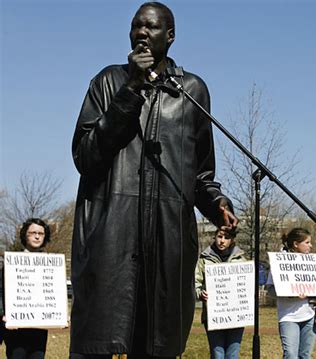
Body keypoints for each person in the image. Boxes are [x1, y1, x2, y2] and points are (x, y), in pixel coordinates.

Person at [70, 2, 237, 358]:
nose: (142, 33)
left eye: (151, 27)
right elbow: (86, 156)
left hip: (167, 243)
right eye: (136, 27)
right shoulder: (109, 81)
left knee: (156, 347)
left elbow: (202, 174)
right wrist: (130, 91)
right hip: (112, 238)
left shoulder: (192, 91)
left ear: (170, 36)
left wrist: (217, 204)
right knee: (98, 345)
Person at [266, 228, 316, 359]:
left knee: (305, 355)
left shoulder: (313, 263)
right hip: (288, 317)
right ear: (296, 244)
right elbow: (269, 289)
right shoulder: (279, 262)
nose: (311, 245)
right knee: (291, 355)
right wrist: (289, 293)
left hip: (310, 316)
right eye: (307, 242)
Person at [195, 229, 247, 358]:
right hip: (213, 316)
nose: (222, 240)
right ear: (214, 237)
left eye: (226, 237)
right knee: (217, 354)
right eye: (219, 236)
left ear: (232, 240)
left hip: (236, 316)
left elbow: (248, 284)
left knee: (232, 354)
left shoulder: (242, 259)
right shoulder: (204, 258)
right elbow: (196, 282)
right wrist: (200, 293)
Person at [3, 218, 51, 359]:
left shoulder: (52, 264)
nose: (37, 236)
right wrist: (4, 315)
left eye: (41, 233)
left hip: (39, 329)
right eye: (33, 232)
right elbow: (2, 292)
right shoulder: (11, 262)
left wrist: (60, 314)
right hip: (15, 329)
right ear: (25, 235)